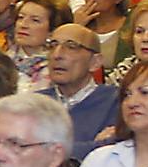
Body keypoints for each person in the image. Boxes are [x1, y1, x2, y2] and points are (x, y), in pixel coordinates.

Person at [41, 23, 120, 160]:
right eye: (52, 46)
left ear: (95, 62)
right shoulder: (35, 103)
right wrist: (93, 146)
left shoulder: (116, 101)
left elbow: (109, 154)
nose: (57, 55)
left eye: (71, 47)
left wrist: (43, 151)